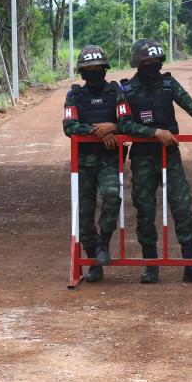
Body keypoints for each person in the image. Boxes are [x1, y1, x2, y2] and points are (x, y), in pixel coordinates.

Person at [116, 39, 192, 284]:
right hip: (143, 157)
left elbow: (190, 104)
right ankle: (151, 266)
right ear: (138, 63)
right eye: (148, 61)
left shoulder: (168, 83)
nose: (153, 65)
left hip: (170, 155)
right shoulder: (126, 90)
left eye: (157, 61)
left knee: (182, 207)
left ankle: (191, 267)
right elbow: (124, 124)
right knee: (145, 211)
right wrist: (155, 133)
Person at [61, 45, 124, 283]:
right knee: (84, 215)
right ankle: (93, 263)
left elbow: (128, 120)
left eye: (98, 68)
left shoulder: (116, 92)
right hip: (83, 164)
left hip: (109, 160)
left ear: (105, 69)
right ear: (83, 72)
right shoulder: (74, 96)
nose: (94, 72)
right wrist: (98, 131)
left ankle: (103, 245)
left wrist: (113, 127)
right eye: (89, 69)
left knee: (112, 196)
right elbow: (69, 126)